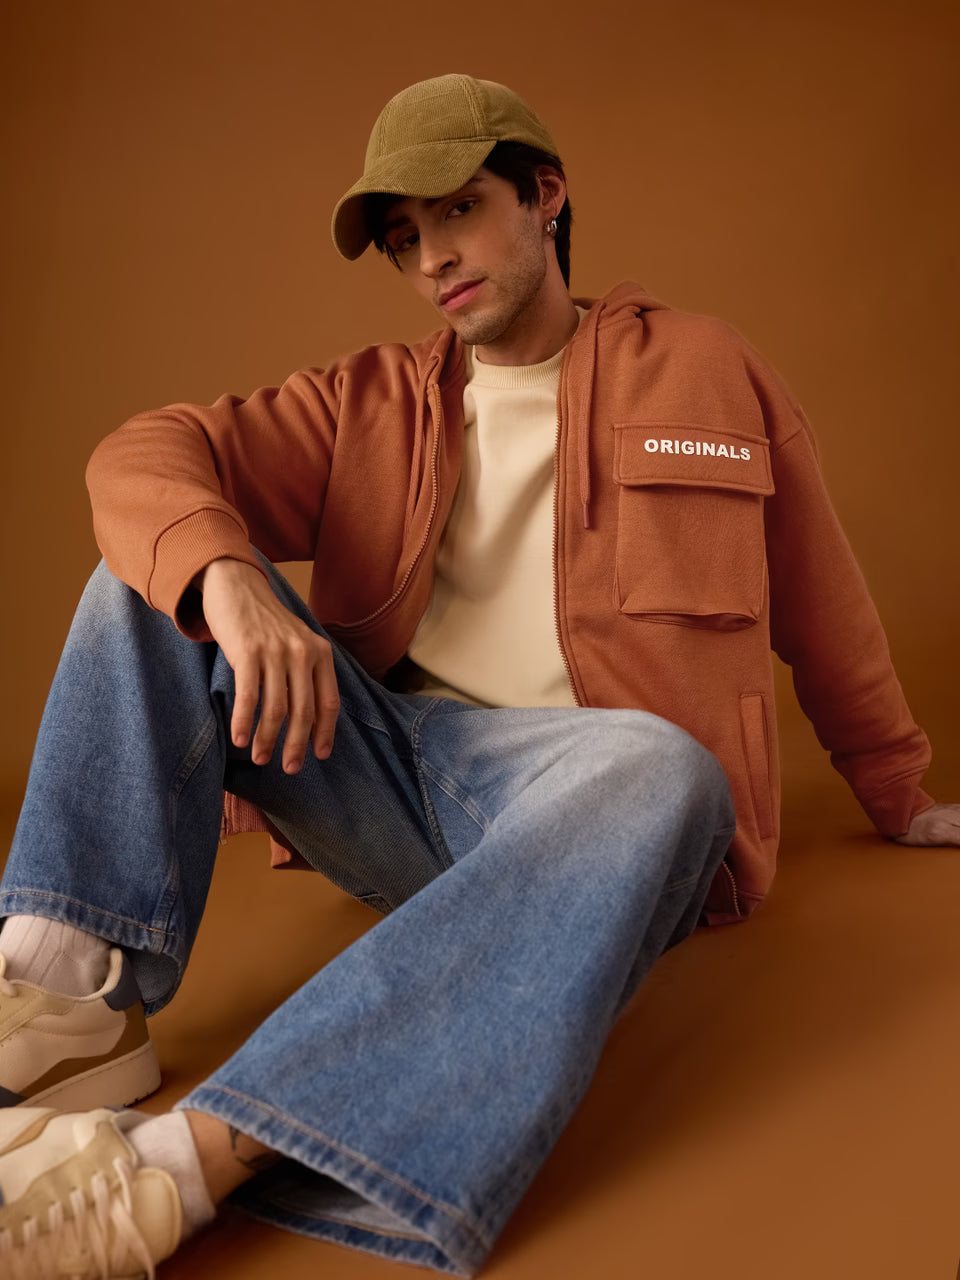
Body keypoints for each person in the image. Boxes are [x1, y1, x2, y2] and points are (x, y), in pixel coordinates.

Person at [0, 72, 957, 1279]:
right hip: (402, 780)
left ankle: (173, 1171)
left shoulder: (706, 369)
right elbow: (143, 452)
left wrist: (895, 782)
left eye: (457, 210)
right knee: (155, 575)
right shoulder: (367, 404)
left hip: (605, 810)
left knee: (666, 767)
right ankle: (61, 1000)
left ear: (544, 194)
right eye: (405, 239)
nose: (433, 258)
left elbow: (821, 587)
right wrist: (230, 577)